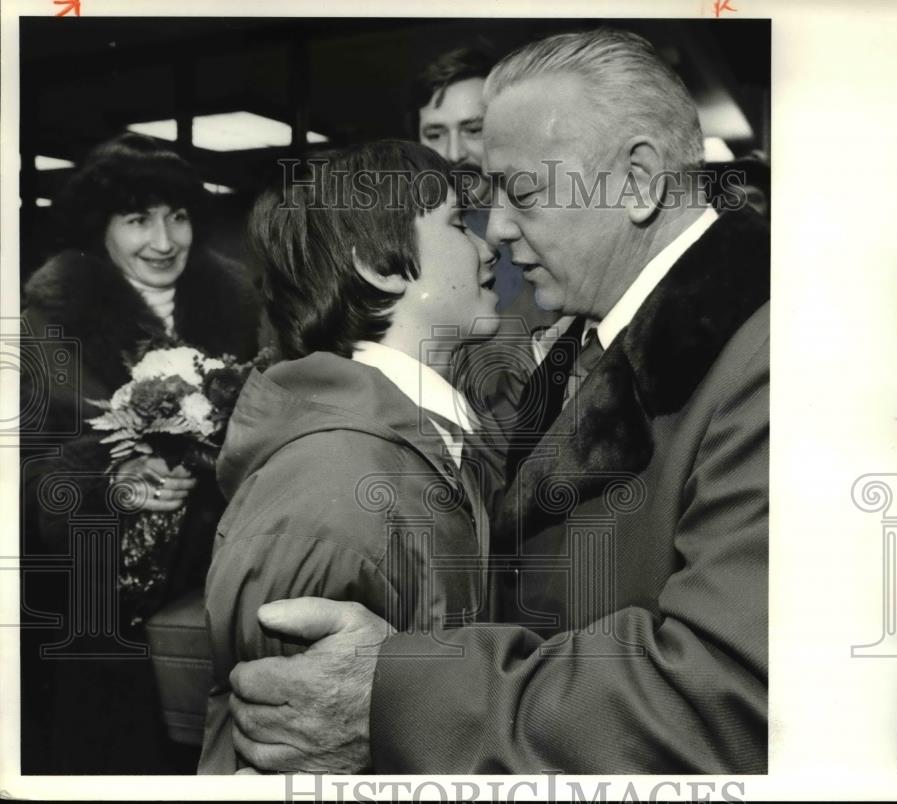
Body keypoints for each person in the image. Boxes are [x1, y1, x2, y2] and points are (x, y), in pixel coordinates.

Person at [226, 28, 769, 774]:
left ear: (640, 181)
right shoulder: (597, 341)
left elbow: (729, 697)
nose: (500, 231)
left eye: (523, 192)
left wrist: (398, 699)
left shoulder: (779, 358)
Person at [197, 141, 506, 773]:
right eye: (457, 223)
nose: (489, 244)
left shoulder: (424, 444)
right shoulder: (328, 487)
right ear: (379, 264)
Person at [20, 132, 261, 773]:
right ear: (100, 228)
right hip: (95, 613)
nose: (163, 240)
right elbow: (23, 480)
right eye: (137, 220)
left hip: (213, 593)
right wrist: (114, 483)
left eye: (177, 216)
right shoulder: (44, 329)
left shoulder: (243, 312)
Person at [407, 44, 555, 333]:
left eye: (473, 130)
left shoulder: (549, 238)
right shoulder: (405, 248)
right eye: (435, 134)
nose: (452, 153)